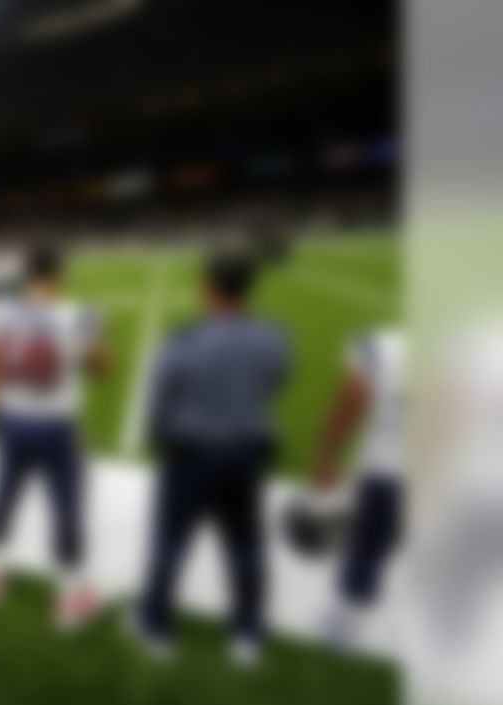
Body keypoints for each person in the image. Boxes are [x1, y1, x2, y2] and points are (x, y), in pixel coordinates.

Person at [133, 249, 290, 668]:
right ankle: (247, 634)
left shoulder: (184, 340)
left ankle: (156, 626)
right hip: (246, 454)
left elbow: (158, 403)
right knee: (245, 545)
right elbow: (276, 380)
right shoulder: (274, 336)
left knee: (170, 542)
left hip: (192, 456)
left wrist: (163, 438)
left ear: (208, 288)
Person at [0, 245, 110, 632]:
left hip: (11, 420)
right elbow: (100, 369)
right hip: (55, 426)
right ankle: (70, 597)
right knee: (66, 505)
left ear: (25, 276)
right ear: (59, 277)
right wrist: (99, 334)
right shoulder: (76, 316)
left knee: (3, 495)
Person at [304, 328, 406, 651]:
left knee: (366, 541)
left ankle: (344, 621)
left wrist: (327, 454)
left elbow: (351, 398)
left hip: (383, 466)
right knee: (379, 543)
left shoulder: (379, 346)